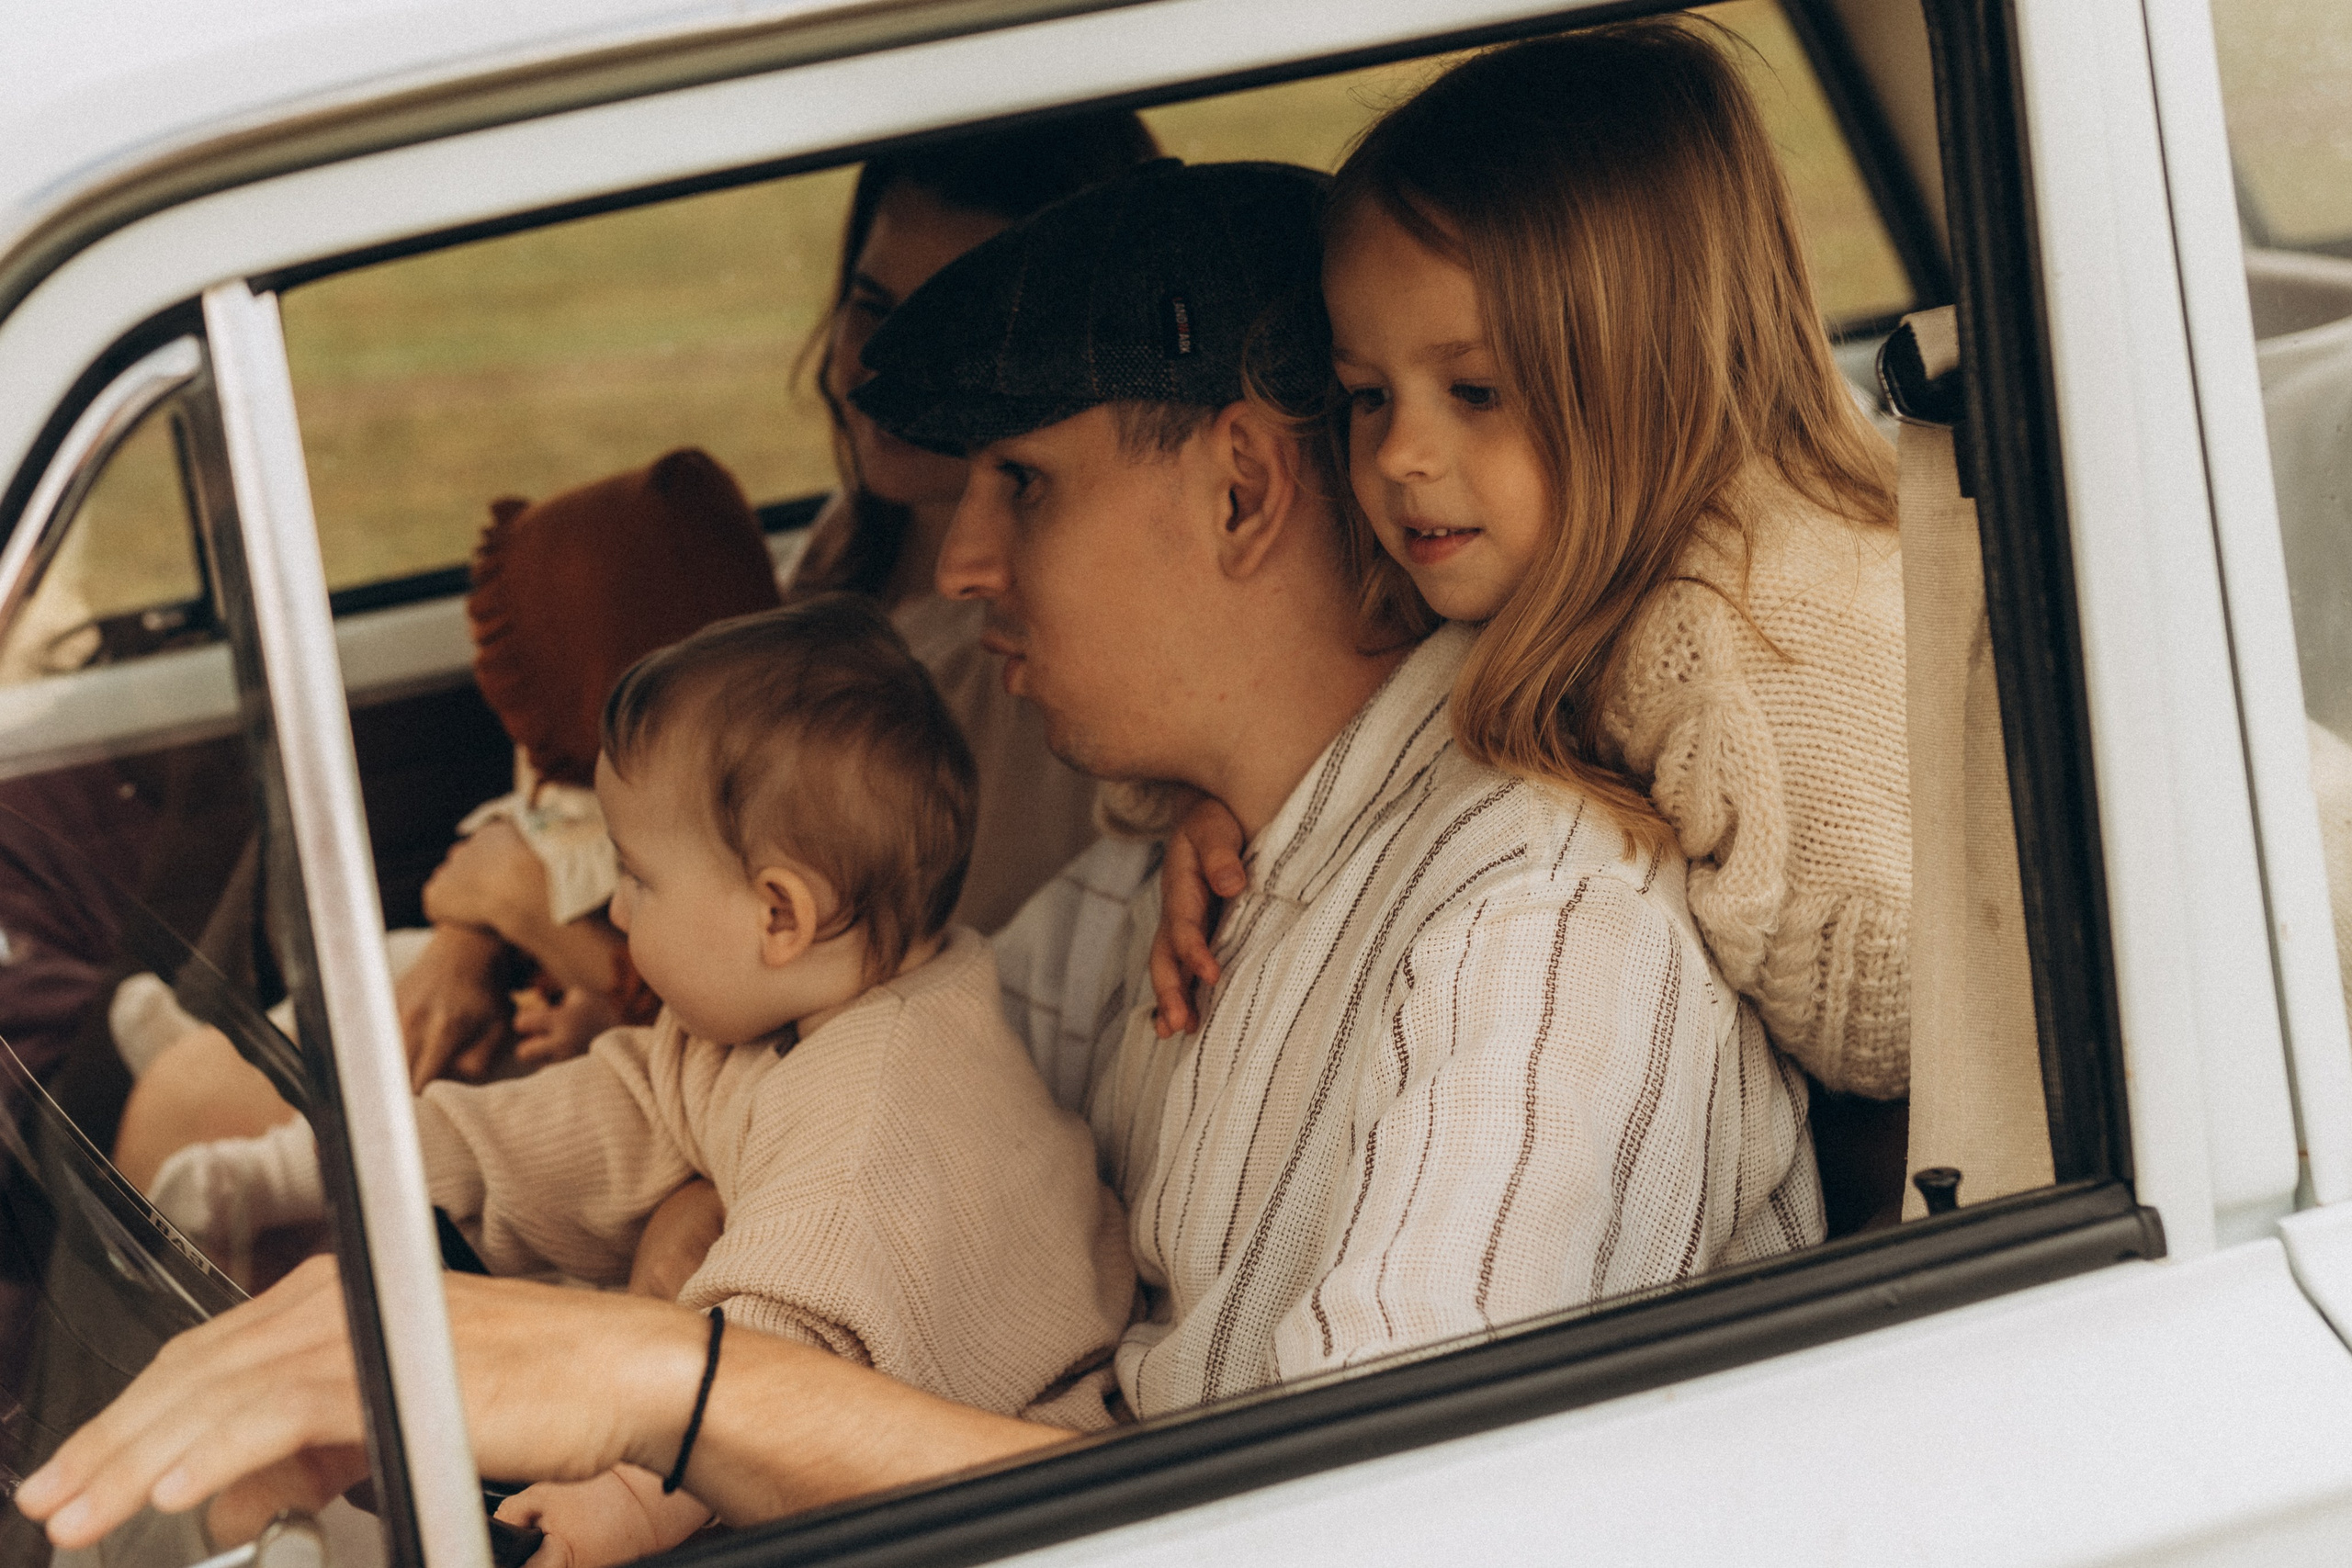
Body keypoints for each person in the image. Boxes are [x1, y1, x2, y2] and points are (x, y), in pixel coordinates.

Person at [18, 156, 1818, 1555]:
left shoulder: (1538, 939)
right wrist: (664, 1268)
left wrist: (666, 1381)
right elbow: (818, 1113)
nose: (960, 561)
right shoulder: (1152, 891)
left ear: (1241, 491)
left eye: (1021, 484)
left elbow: (1346, 1538)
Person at [1149, 21, 1912, 1108]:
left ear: (1651, 367)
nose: (1400, 454)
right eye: (1366, 395)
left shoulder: (1752, 637)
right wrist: (1245, 816)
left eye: (1476, 392)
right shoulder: (1561, 553)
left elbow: (1900, 1028)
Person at [107, 450, 783, 1207]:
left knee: (430, 1077)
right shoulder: (594, 770)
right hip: (532, 983)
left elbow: (698, 995)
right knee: (385, 970)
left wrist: (543, 934)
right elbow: (482, 870)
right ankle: (243, 1039)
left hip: (581, 1045)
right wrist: (476, 930)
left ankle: (267, 1173)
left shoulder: (712, 813)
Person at [786, 111, 1160, 933]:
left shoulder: (1040, 672)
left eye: (949, 330)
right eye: (872, 308)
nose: (881, 368)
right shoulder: (852, 534)